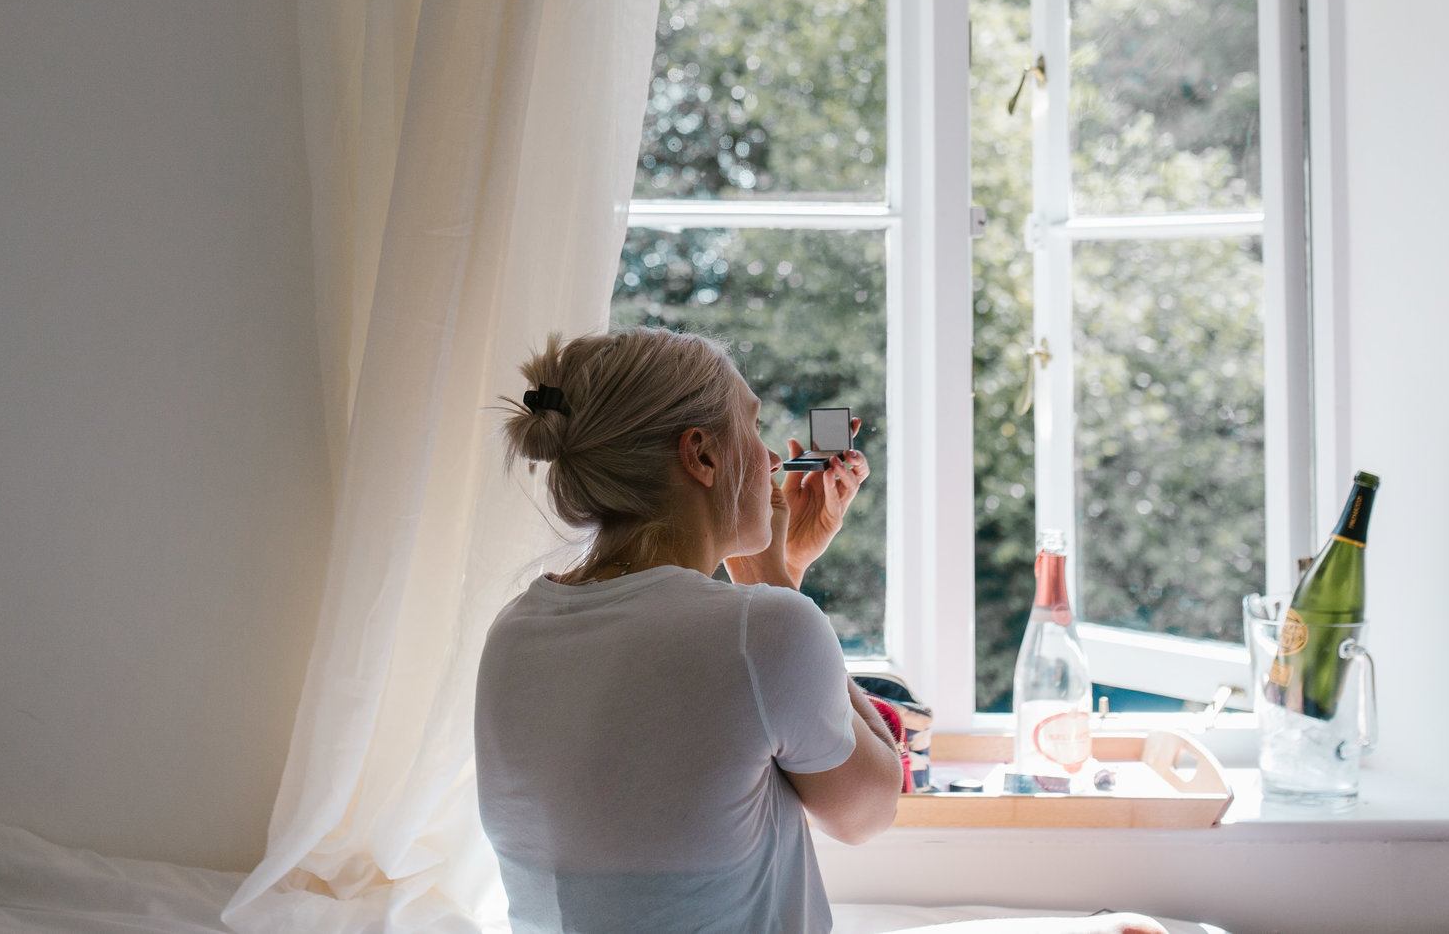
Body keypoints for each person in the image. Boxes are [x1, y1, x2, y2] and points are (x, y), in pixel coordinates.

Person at [475, 327, 1163, 934]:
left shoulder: (514, 631)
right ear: (703, 457)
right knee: (1134, 928)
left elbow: (697, 775)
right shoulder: (760, 627)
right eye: (754, 427)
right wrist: (769, 575)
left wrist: (777, 578)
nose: (776, 460)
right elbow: (867, 810)